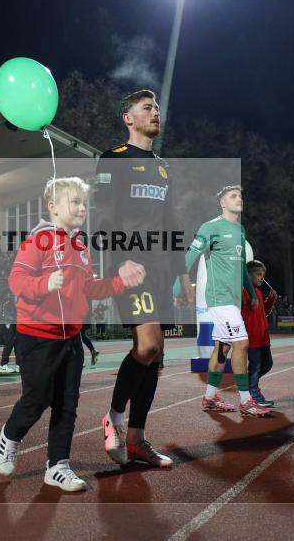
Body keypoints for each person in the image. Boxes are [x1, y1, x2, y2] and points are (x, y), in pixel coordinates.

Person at [0, 177, 140, 491]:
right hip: (36, 335)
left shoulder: (81, 247)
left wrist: (120, 282)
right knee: (37, 399)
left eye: (84, 203)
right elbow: (17, 281)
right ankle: (10, 435)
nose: (81, 208)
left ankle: (57, 465)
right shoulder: (37, 241)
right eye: (74, 202)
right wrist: (43, 285)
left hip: (70, 337)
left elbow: (90, 289)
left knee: (67, 404)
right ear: (53, 206)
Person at [94, 89, 193, 468]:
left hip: (162, 269)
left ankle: (137, 439)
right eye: (147, 108)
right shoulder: (112, 159)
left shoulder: (163, 167)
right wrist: (117, 261)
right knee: (148, 346)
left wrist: (182, 274)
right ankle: (113, 419)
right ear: (128, 118)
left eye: (157, 107)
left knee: (157, 357)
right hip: (130, 267)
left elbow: (170, 224)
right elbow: (102, 214)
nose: (155, 113)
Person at [180, 186, 271, 417]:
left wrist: (250, 292)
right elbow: (189, 255)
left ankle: (209, 398)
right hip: (219, 297)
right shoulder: (210, 227)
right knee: (241, 343)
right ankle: (246, 401)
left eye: (240, 195)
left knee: (222, 347)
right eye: (233, 196)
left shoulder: (239, 229)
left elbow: (241, 266)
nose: (239, 199)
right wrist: (177, 287)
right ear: (222, 202)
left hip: (232, 299)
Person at [243, 260, 278, 408]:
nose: (261, 277)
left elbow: (265, 313)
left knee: (267, 364)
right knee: (255, 367)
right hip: (253, 337)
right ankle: (254, 393)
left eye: (263, 275)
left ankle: (248, 383)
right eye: (258, 274)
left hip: (263, 337)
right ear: (248, 274)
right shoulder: (245, 290)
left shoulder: (257, 291)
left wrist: (270, 299)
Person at [0, 277, 19, 374]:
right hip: (9, 321)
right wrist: (7, 320)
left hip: (15, 320)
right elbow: (5, 310)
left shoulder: (13, 293)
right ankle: (3, 365)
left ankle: (18, 365)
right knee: (9, 343)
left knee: (17, 344)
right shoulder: (6, 294)